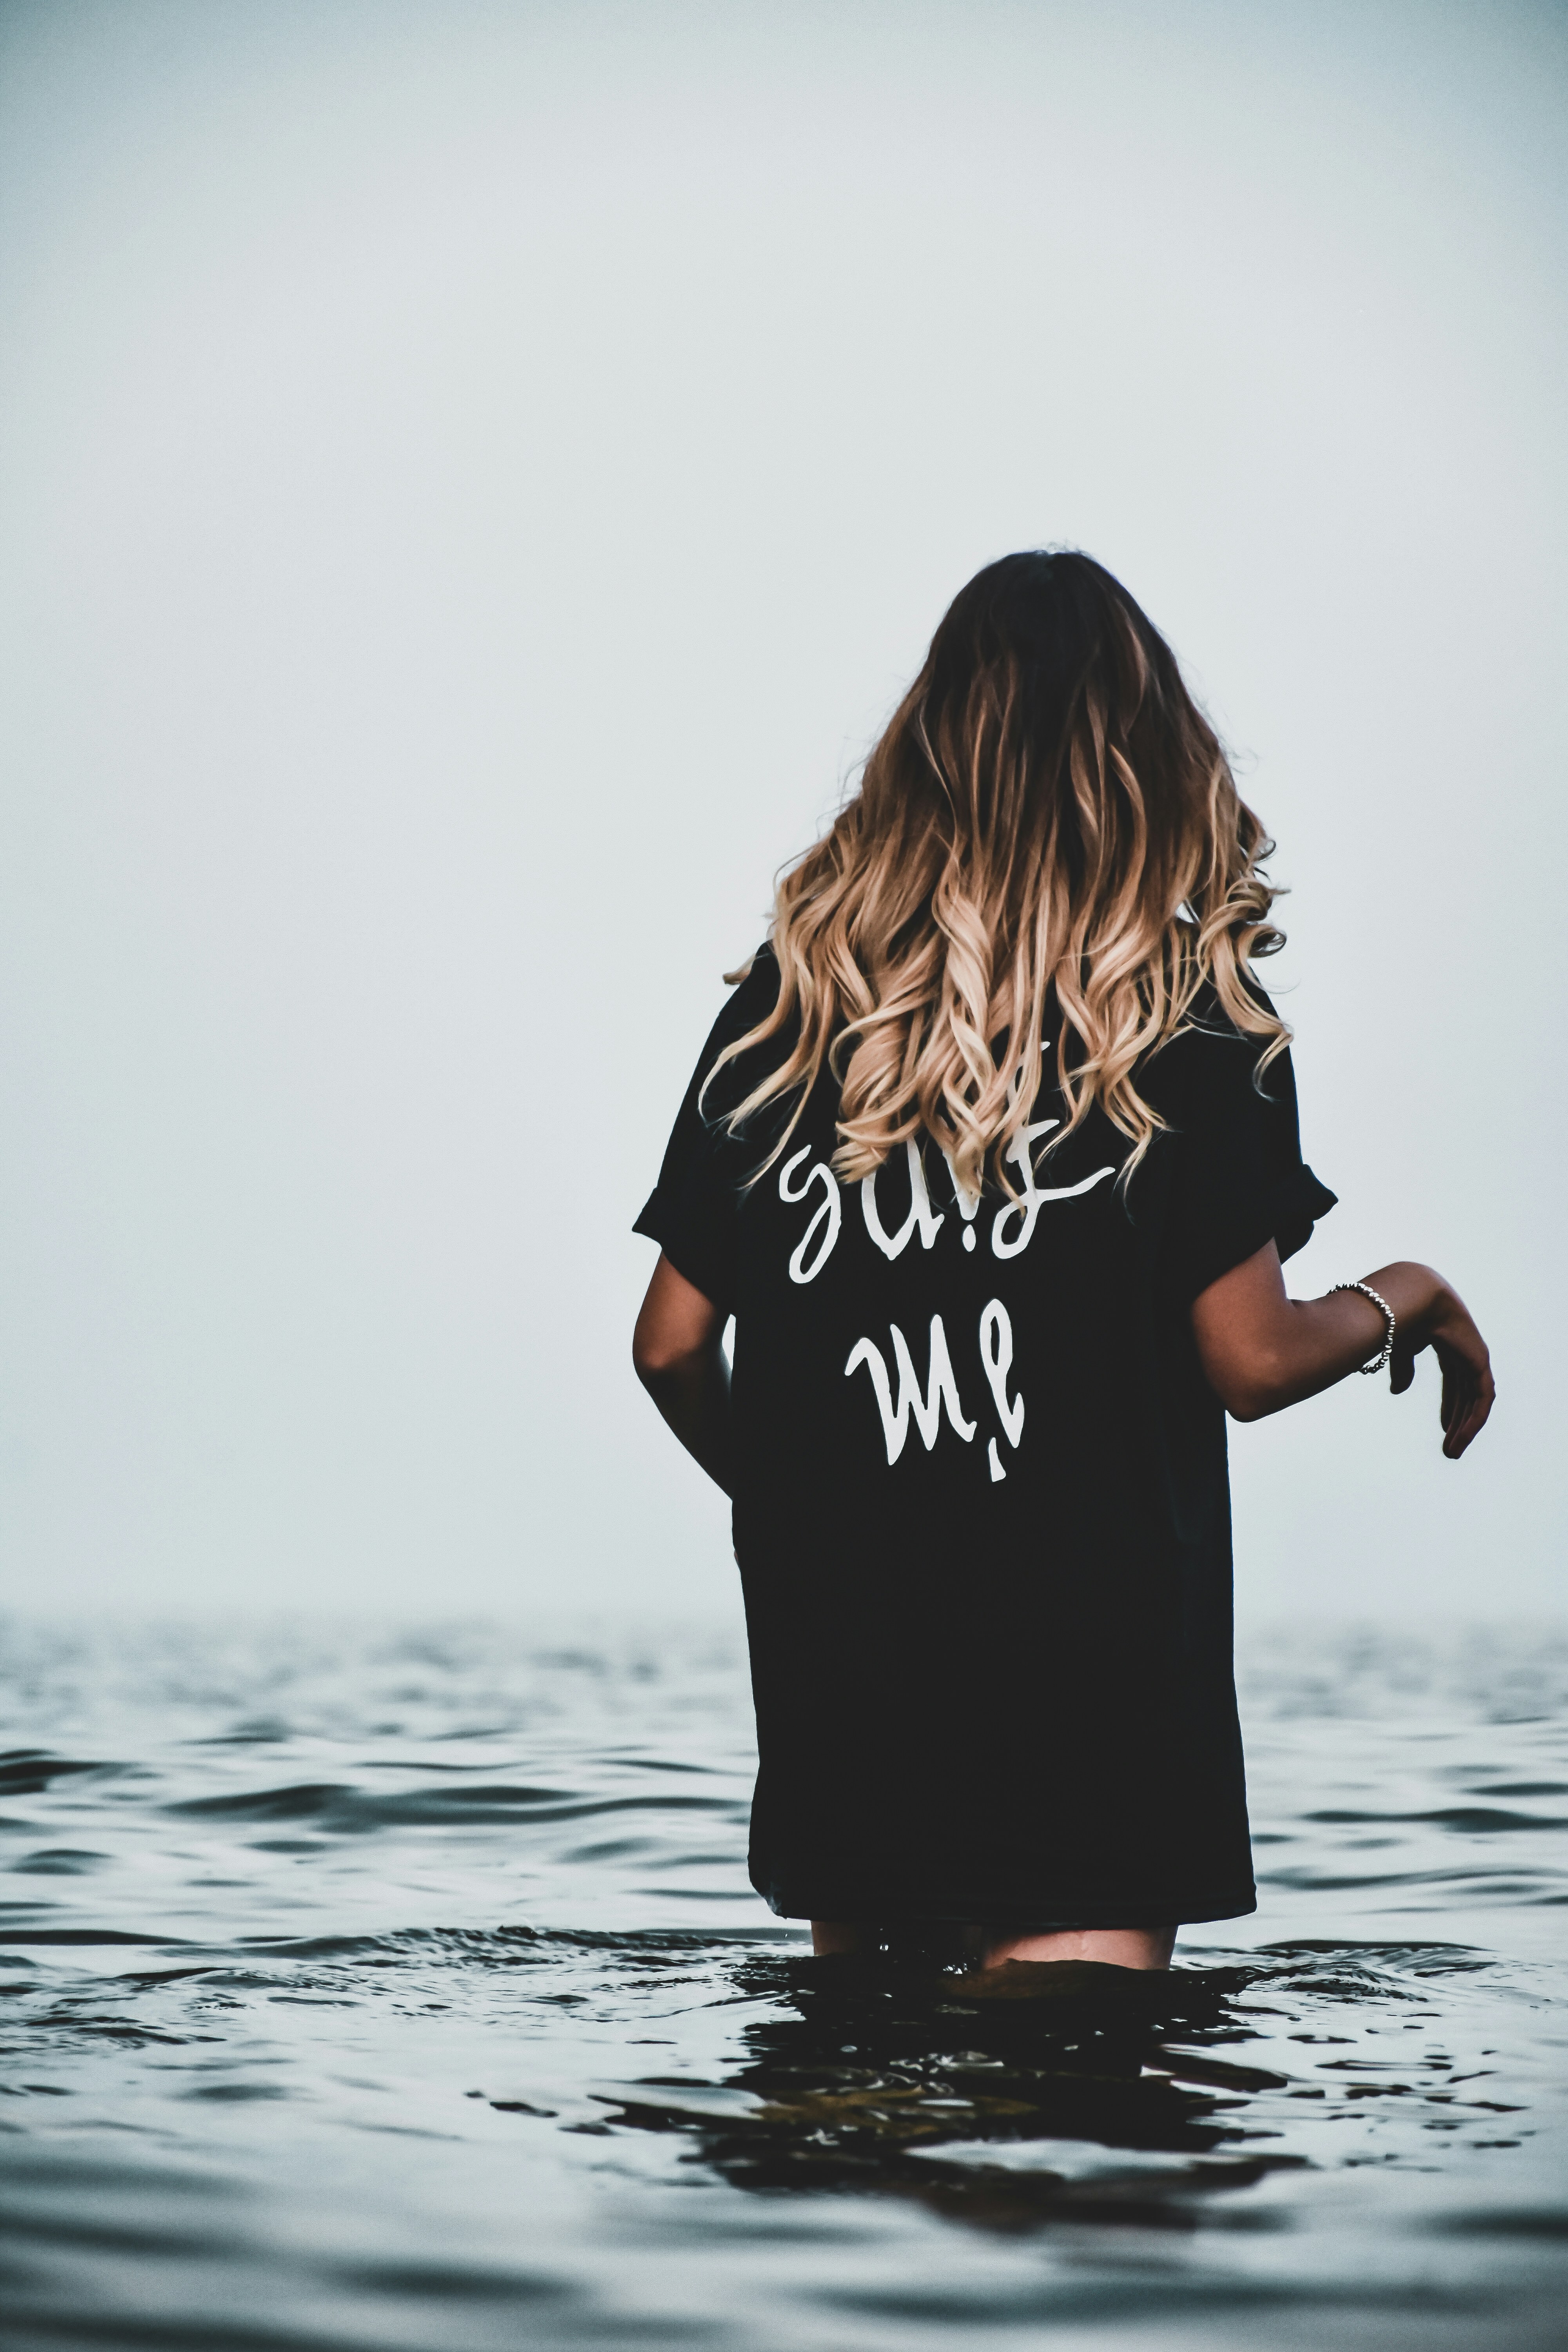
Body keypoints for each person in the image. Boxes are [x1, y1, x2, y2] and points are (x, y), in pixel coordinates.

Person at [631, 550, 1494, 1974]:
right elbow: (1253, 1362)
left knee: (850, 2135)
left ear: (925, 754)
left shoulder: (792, 1011)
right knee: (1081, 2146)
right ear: (1151, 762)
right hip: (1094, 1706)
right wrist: (1412, 1296)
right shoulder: (1196, 1017)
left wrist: (814, 1502)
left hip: (852, 1685)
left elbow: (669, 1344)